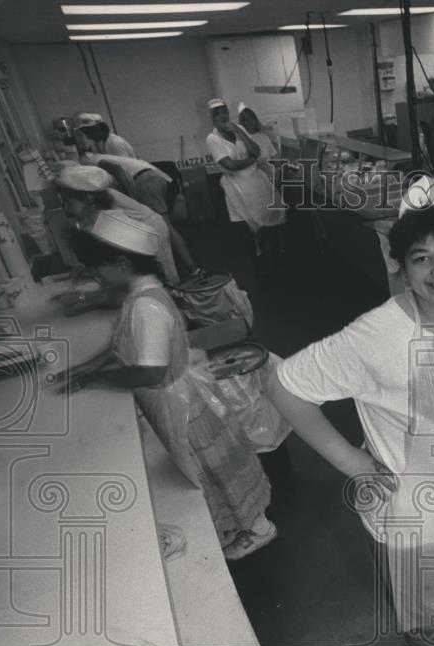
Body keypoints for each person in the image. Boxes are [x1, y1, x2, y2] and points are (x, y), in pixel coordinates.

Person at [266, 177, 434, 646]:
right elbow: (283, 384)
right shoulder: (374, 335)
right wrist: (353, 463)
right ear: (398, 265)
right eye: (421, 258)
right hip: (419, 519)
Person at [56, 209, 276, 561]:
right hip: (178, 394)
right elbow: (124, 345)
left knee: (211, 466)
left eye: (97, 267)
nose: (94, 275)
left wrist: (98, 378)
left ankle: (258, 529)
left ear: (121, 263)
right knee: (207, 467)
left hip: (178, 400)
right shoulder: (143, 292)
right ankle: (238, 524)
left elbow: (151, 372)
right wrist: (88, 366)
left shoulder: (146, 307)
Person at [55, 164, 180, 286]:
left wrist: (83, 296)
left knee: (168, 278)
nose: (65, 208)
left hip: (150, 231)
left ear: (88, 199)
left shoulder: (111, 226)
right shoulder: (97, 219)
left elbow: (128, 274)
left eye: (69, 202)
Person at [80, 152, 199, 276]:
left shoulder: (92, 161)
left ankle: (192, 268)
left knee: (164, 225)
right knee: (163, 225)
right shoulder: (105, 156)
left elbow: (117, 170)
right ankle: (188, 268)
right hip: (155, 176)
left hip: (145, 180)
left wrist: (131, 195)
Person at [205, 98, 285, 266]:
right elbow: (230, 165)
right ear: (211, 117)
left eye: (224, 111)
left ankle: (274, 258)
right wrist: (251, 160)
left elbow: (255, 150)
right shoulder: (212, 139)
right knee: (249, 227)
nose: (221, 115)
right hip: (236, 186)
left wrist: (240, 132)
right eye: (216, 113)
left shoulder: (239, 129)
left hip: (257, 182)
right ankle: (259, 263)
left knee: (268, 221)